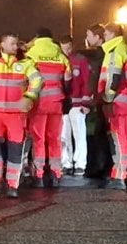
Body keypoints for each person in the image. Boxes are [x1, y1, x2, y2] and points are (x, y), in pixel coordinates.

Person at [0, 34, 39, 197]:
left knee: (15, 150)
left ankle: (13, 186)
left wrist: (29, 96)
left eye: (16, 44)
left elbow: (38, 80)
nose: (15, 47)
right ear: (2, 45)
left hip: (16, 115)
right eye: (11, 44)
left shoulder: (26, 62)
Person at [24, 28, 70, 187]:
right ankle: (56, 173)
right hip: (57, 102)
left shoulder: (32, 53)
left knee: (38, 138)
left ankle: (39, 174)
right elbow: (68, 79)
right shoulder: (60, 54)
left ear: (37, 37)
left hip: (39, 102)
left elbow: (26, 78)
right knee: (54, 138)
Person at [97, 22, 127, 189]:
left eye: (105, 35)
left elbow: (113, 80)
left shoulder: (115, 52)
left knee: (117, 137)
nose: (104, 38)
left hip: (117, 100)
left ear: (111, 34)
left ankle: (120, 174)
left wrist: (107, 99)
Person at [81, 24, 112, 180]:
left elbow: (95, 78)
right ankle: (105, 165)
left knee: (101, 133)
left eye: (89, 35)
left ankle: (103, 166)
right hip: (105, 98)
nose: (87, 38)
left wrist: (90, 98)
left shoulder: (101, 55)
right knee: (102, 132)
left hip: (103, 99)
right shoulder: (104, 53)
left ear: (98, 37)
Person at [60, 35, 92, 176]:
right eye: (63, 48)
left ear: (72, 46)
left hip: (78, 103)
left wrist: (86, 103)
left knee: (79, 135)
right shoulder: (59, 60)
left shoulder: (81, 60)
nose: (66, 51)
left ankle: (80, 164)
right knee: (63, 135)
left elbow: (87, 82)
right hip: (63, 104)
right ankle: (66, 163)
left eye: (68, 47)